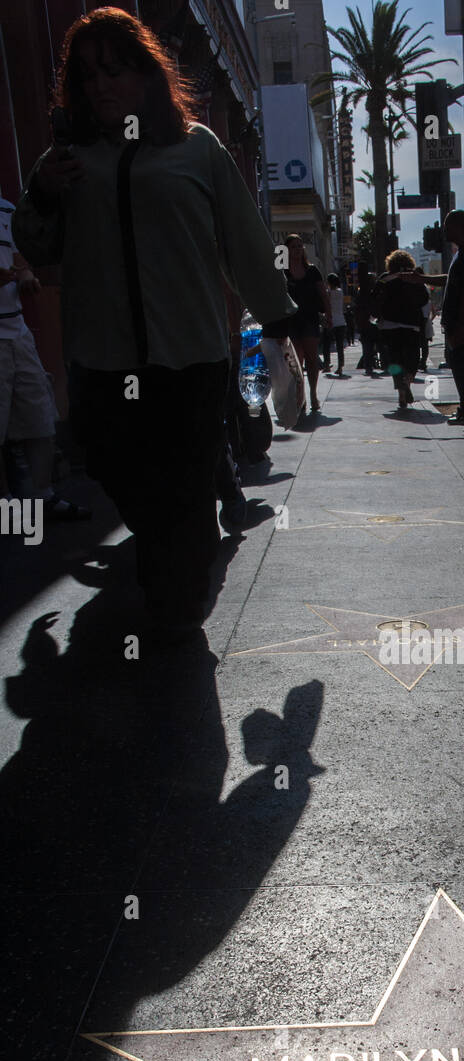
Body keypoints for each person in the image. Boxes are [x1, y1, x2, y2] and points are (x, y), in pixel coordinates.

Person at [12, 7, 296, 639]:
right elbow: (37, 246)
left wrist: (276, 318)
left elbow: (245, 241)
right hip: (102, 360)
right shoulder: (68, 160)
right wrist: (44, 193)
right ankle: (166, 561)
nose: (102, 86)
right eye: (88, 77)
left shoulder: (196, 147)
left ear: (146, 74)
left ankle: (177, 606)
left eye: (115, 70)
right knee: (119, 470)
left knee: (187, 488)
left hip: (189, 358)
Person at [0, 189, 90, 523]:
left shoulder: (7, 210)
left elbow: (21, 261)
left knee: (40, 415)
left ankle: (42, 497)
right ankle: (6, 505)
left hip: (17, 329)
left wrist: (25, 276)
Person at [420, 210, 464, 428]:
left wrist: (460, 324)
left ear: (460, 227)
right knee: (459, 367)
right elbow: (450, 280)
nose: (444, 229)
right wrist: (422, 279)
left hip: (462, 326)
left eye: (448, 225)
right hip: (458, 325)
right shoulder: (462, 253)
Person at [372, 249, 429, 409]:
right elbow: (424, 298)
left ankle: (401, 395)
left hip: (389, 326)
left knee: (395, 360)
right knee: (412, 359)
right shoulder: (413, 278)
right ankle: (408, 381)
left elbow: (374, 297)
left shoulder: (385, 278)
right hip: (411, 325)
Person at [283, 234, 329, 413]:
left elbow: (323, 293)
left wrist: (329, 315)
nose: (298, 249)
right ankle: (299, 396)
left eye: (300, 246)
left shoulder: (312, 270)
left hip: (310, 318)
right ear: (287, 249)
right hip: (290, 320)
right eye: (294, 246)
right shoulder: (282, 270)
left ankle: (313, 394)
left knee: (311, 359)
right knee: (296, 360)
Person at [322, 272, 347, 376]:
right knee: (340, 346)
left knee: (326, 345)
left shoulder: (328, 293)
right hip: (341, 321)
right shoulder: (341, 292)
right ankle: (340, 367)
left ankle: (327, 365)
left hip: (330, 321)